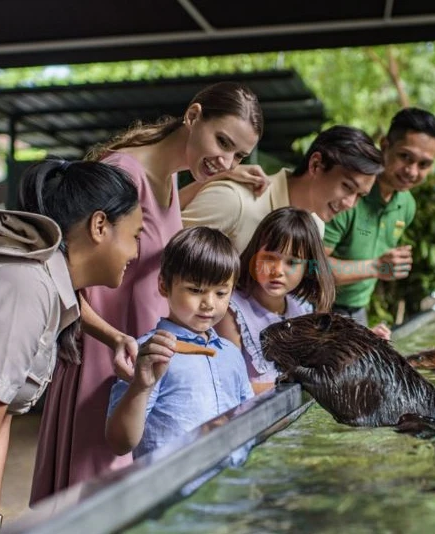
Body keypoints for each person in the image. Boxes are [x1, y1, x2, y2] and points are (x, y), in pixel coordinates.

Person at [31, 82, 264, 503]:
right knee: (95, 506)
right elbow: (59, 275)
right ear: (193, 116)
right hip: (107, 363)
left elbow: (157, 222)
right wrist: (113, 338)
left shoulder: (171, 179)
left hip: (146, 361)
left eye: (239, 154)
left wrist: (222, 173)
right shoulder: (121, 171)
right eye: (223, 142)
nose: (227, 158)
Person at [0, 159, 147, 534]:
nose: (135, 252)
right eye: (134, 236)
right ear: (99, 226)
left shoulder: (45, 284)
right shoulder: (26, 287)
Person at [105, 226, 253, 459]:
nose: (209, 303)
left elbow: (248, 422)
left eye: (221, 293)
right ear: (164, 286)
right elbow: (120, 443)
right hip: (172, 488)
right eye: (195, 290)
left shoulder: (232, 355)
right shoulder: (148, 353)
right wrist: (140, 387)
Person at [323, 108, 435, 329]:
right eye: (405, 157)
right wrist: (377, 267)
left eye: (424, 164)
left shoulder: (407, 205)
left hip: (358, 310)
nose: (412, 171)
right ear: (385, 145)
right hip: (317, 307)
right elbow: (312, 269)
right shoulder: (349, 194)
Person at [181, 125, 383, 252]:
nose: (350, 203)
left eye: (360, 196)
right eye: (347, 186)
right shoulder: (234, 200)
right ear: (315, 165)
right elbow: (161, 262)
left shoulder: (315, 228)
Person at [214, 207, 335, 394]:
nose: (277, 270)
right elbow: (230, 389)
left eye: (292, 262)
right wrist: (300, 385)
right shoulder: (232, 312)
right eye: (269, 258)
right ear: (254, 255)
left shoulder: (302, 309)